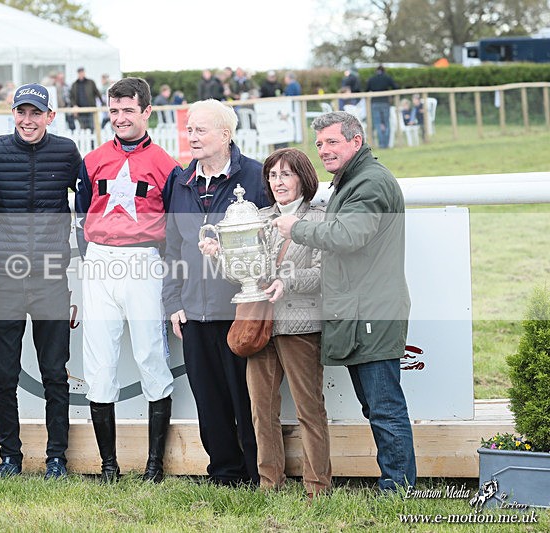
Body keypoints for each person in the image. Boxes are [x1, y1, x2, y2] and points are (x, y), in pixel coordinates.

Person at [272, 111, 415, 492]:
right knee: (377, 408)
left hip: (371, 311)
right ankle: (396, 483)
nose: (324, 150)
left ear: (356, 141)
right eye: (319, 144)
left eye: (332, 142)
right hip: (360, 310)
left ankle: (398, 489)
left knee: (385, 409)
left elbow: (350, 235)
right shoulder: (352, 181)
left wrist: (296, 228)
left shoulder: (369, 182)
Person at [0, 83, 82, 480]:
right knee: (3, 375)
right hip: (3, 280)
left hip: (51, 279)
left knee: (56, 373)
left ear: (49, 116)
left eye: (36, 113)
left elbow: (90, 201)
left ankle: (57, 458)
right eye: (21, 112)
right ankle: (10, 457)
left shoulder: (67, 152)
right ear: (13, 115)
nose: (28, 120)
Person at [75, 77, 177, 483]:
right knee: (99, 360)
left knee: (151, 354)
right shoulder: (93, 158)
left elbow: (174, 223)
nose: (119, 118)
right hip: (100, 261)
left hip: (144, 260)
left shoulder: (166, 164)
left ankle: (154, 465)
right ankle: (108, 466)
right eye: (113, 111)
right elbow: (81, 213)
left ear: (146, 112)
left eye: (128, 111)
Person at [162, 99, 267, 487]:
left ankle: (259, 473)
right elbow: (171, 247)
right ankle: (224, 473)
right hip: (193, 313)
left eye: (200, 130)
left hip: (240, 311)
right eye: (189, 130)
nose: (192, 137)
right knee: (209, 402)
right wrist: (173, 303)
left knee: (247, 398)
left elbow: (270, 240)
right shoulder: (180, 181)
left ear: (225, 135)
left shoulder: (255, 177)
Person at [248, 148, 331, 496]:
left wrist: (288, 281)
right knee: (261, 412)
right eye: (272, 175)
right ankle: (270, 483)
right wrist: (219, 255)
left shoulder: (320, 217)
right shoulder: (258, 218)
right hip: (259, 326)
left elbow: (324, 273)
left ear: (303, 178)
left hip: (301, 326)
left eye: (286, 174)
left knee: (309, 410)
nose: (278, 181)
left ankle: (317, 486)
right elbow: (244, 271)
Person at [365, 65, 398, 149]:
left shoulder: (372, 79)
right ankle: (386, 144)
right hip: (385, 102)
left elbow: (366, 90)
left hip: (375, 103)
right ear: (384, 71)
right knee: (387, 123)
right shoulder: (387, 78)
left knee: (378, 124)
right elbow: (395, 87)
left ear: (376, 71)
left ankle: (381, 144)